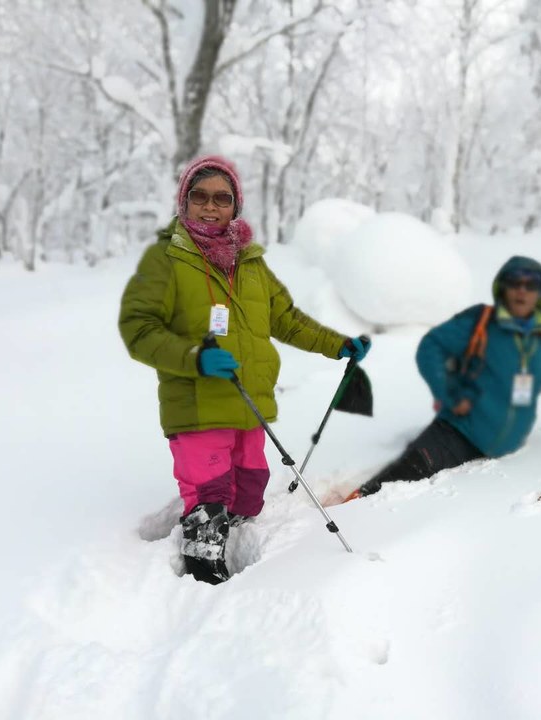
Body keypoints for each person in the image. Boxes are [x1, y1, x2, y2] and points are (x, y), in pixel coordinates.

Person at [118, 155, 370, 584]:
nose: (210, 206)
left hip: (247, 402)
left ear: (236, 206)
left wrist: (337, 344)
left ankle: (231, 535)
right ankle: (203, 570)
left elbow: (287, 319)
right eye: (200, 196)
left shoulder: (251, 263)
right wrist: (194, 357)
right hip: (197, 402)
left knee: (249, 491)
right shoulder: (166, 260)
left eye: (222, 198)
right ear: (184, 201)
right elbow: (138, 328)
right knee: (209, 492)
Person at [349, 255, 541, 499]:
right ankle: (349, 512)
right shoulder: (479, 321)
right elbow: (430, 347)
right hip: (458, 432)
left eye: (530, 285)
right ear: (503, 288)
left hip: (506, 452)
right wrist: (448, 394)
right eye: (514, 283)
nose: (521, 291)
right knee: (395, 480)